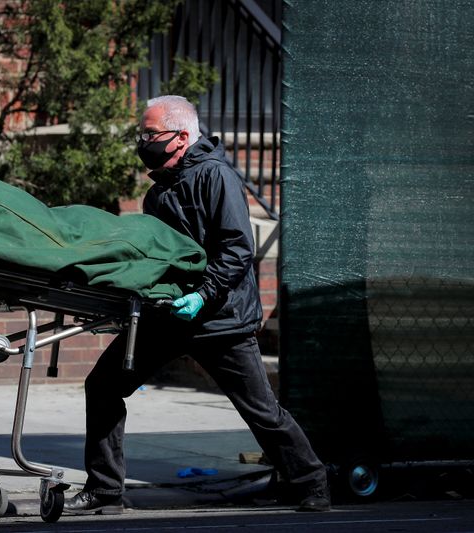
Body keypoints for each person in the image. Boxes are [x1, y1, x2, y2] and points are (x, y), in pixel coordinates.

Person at [62, 95, 330, 515]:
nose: (143, 141)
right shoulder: (159, 193)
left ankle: (311, 484)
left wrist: (203, 294)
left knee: (261, 410)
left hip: (219, 318)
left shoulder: (216, 177)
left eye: (151, 134)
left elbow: (238, 249)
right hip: (168, 317)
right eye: (142, 133)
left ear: (182, 137)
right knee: (103, 385)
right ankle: (106, 492)